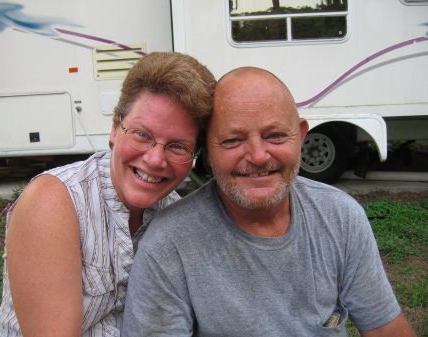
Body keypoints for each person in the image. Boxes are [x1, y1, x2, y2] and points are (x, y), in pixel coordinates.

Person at [122, 67, 417, 336]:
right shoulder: (169, 246)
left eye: (275, 135)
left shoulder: (340, 217)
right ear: (207, 153)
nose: (258, 156)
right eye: (232, 140)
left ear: (301, 136)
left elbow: (386, 328)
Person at [0, 52, 216, 337]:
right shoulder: (55, 201)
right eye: (142, 134)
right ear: (114, 127)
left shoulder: (176, 217)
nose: (155, 159)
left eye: (178, 146)